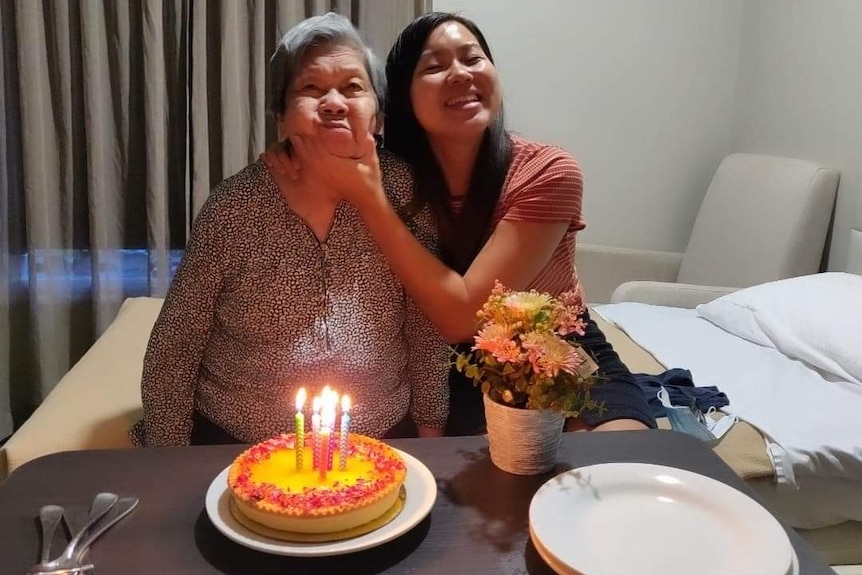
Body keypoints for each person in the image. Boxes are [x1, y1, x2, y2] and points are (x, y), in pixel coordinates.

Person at [265, 12, 656, 434]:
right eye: (434, 66)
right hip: (446, 362)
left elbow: (465, 314)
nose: (459, 75)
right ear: (401, 98)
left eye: (472, 59)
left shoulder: (546, 172)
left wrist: (369, 199)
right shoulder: (392, 176)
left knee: (622, 457)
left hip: (555, 348)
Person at [134, 13, 449, 447]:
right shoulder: (236, 205)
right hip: (237, 443)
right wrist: (167, 462)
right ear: (281, 117)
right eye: (311, 89)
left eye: (353, 88)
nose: (334, 103)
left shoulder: (406, 193)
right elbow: (176, 347)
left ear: (377, 117)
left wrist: (431, 434)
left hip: (378, 440)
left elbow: (425, 326)